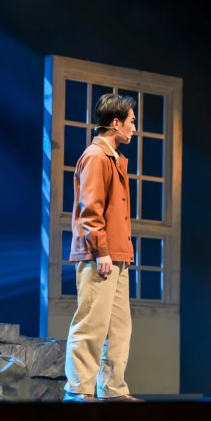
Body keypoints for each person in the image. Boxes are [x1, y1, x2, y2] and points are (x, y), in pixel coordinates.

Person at [63, 93, 143, 403]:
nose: (134, 127)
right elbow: (90, 209)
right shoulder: (96, 156)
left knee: (119, 329)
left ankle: (113, 390)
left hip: (117, 256)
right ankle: (78, 390)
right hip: (100, 256)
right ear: (116, 123)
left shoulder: (114, 158)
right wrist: (101, 250)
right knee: (91, 325)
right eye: (132, 121)